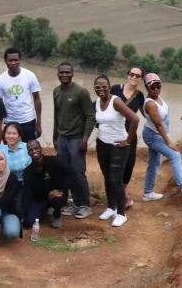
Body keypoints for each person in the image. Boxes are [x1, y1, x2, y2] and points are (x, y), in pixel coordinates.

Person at [142, 73, 182, 201]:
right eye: (153, 87)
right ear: (146, 88)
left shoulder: (157, 97)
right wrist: (169, 142)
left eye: (158, 86)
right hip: (153, 135)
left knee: (154, 163)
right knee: (175, 155)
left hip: (156, 133)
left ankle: (147, 193)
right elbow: (158, 124)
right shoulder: (151, 104)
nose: (156, 89)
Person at [93, 75, 139, 228]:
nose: (101, 89)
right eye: (97, 87)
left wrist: (127, 141)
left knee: (116, 180)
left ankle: (121, 213)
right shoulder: (97, 103)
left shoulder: (116, 101)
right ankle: (111, 207)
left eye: (104, 86)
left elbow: (135, 120)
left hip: (119, 146)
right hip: (102, 143)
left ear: (109, 87)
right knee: (107, 176)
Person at [52, 62, 95, 220]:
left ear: (72, 73)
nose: (64, 75)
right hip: (62, 138)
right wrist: (54, 137)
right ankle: (76, 204)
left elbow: (90, 116)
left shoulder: (81, 92)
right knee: (66, 172)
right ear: (57, 73)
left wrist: (85, 139)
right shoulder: (56, 91)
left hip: (76, 138)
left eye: (67, 72)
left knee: (78, 172)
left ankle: (85, 205)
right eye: (61, 72)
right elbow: (56, 115)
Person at [110, 66, 146, 210]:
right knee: (114, 164)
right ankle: (113, 193)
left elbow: (146, 114)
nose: (134, 77)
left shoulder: (140, 96)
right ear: (127, 75)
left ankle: (124, 192)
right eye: (132, 74)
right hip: (114, 133)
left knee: (129, 164)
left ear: (141, 79)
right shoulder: (115, 89)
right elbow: (104, 105)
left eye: (138, 76)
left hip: (130, 134)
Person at [0, 48, 42, 141]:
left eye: (16, 60)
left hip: (28, 120)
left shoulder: (30, 75)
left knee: (29, 148)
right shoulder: (0, 80)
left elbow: (37, 99)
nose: (13, 62)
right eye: (10, 60)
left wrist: (38, 123)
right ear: (5, 61)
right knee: (11, 149)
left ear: (20, 60)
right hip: (10, 122)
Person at [22, 140, 68, 229]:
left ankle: (57, 214)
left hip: (56, 195)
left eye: (36, 148)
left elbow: (70, 174)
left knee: (56, 200)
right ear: (28, 153)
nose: (34, 151)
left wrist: (62, 191)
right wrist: (25, 212)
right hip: (40, 199)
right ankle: (43, 211)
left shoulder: (54, 161)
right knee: (28, 222)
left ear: (41, 149)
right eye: (31, 150)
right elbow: (28, 194)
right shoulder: (27, 172)